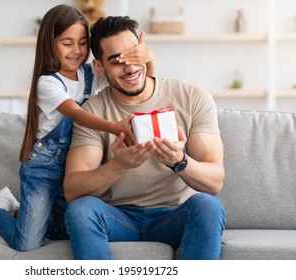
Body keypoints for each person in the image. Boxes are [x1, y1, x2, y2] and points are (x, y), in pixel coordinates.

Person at [0, 5, 154, 252]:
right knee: (27, 244)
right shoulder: (47, 83)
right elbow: (76, 113)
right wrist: (113, 127)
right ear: (50, 43)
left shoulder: (90, 73)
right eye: (67, 43)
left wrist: (146, 56)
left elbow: (142, 79)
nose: (76, 51)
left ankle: (26, 214)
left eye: (82, 42)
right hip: (43, 171)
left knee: (62, 232)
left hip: (74, 168)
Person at [63, 16, 226, 260]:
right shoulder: (94, 113)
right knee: (81, 210)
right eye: (117, 61)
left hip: (175, 216)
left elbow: (214, 182)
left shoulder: (192, 96)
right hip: (117, 218)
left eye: (133, 55)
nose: (129, 68)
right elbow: (72, 191)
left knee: (208, 206)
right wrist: (119, 166)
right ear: (99, 68)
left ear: (144, 50)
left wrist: (179, 161)